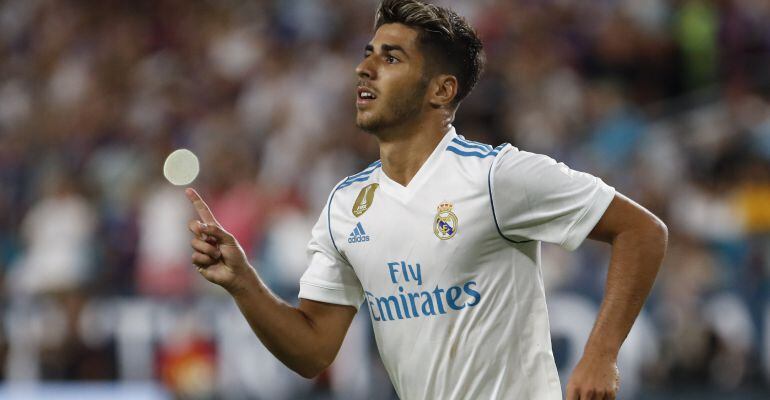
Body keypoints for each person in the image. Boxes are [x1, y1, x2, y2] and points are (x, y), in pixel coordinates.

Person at [185, 0, 668, 399]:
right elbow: (312, 352)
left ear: (441, 89)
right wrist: (243, 282)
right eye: (369, 53)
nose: (365, 68)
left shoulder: (497, 175)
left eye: (391, 58)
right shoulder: (346, 205)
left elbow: (643, 230)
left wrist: (601, 355)